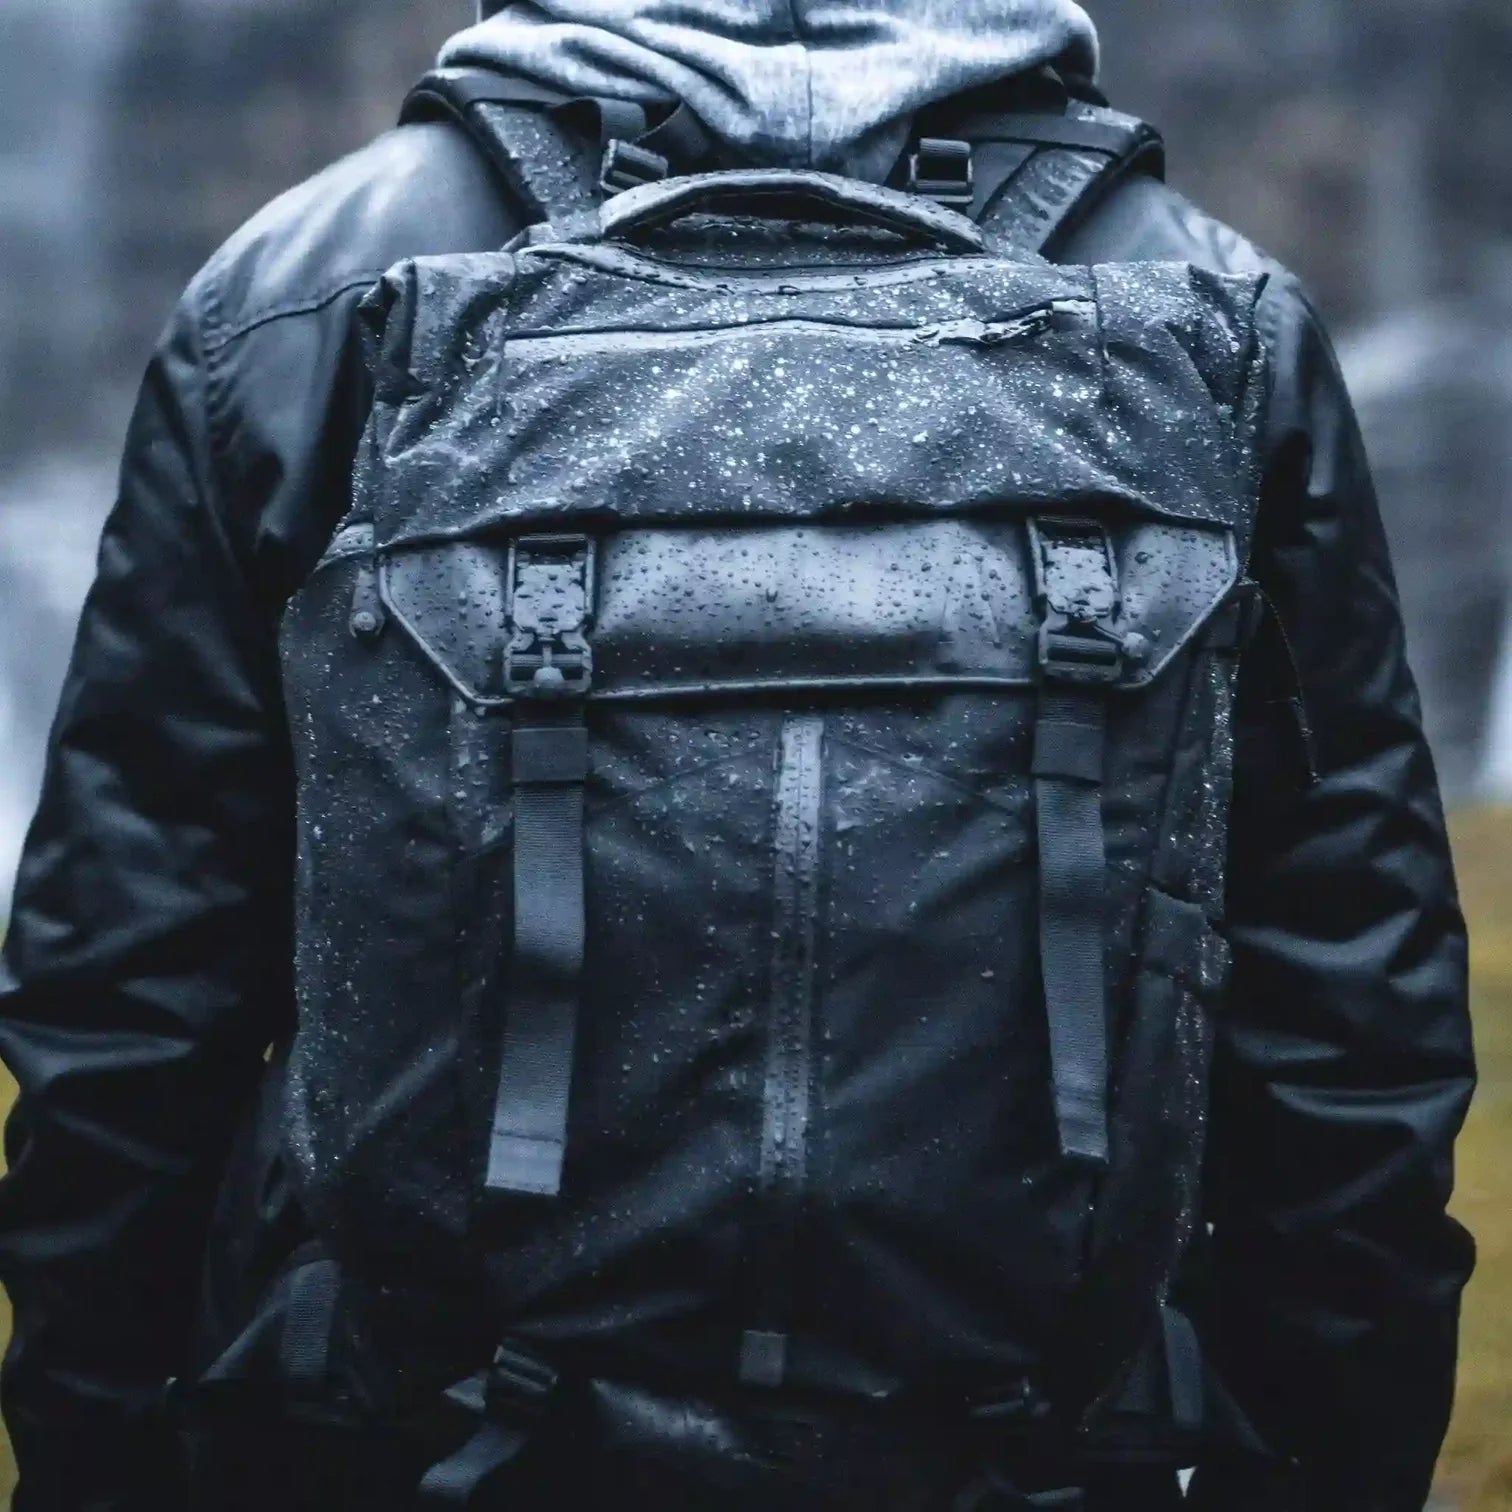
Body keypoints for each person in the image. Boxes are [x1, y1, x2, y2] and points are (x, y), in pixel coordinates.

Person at [0, 3, 1475, 1510]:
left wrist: (92, 1456)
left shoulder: (298, 295)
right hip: (1051, 1455)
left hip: (409, 1452)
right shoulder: (1213, 306)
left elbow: (130, 999)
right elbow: (1348, 1019)